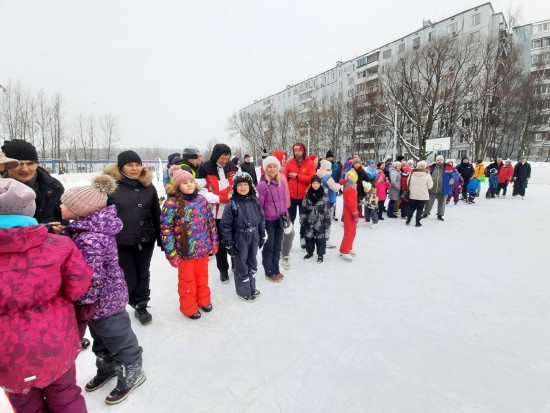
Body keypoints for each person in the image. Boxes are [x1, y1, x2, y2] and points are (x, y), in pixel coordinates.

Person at [0, 178, 93, 413]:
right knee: (65, 395)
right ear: (30, 208)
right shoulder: (59, 245)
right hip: (55, 339)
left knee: (24, 403)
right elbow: (77, 286)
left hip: (7, 351)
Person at [60, 175, 145, 405]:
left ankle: (133, 372)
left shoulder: (91, 239)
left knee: (118, 338)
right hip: (97, 302)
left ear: (80, 212)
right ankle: (107, 366)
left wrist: (84, 300)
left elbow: (92, 276)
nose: (60, 206)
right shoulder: (85, 231)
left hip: (104, 301)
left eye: (65, 204)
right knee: (99, 337)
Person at [104, 150, 161, 325]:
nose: (135, 168)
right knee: (128, 275)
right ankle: (126, 301)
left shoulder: (148, 186)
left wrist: (161, 237)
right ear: (121, 167)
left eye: (137, 165)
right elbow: (102, 214)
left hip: (146, 238)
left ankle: (141, 305)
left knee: (143, 272)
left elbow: (155, 212)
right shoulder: (111, 186)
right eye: (130, 165)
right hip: (122, 240)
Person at [160, 165, 218, 319]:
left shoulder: (201, 200)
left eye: (191, 181)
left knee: (202, 276)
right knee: (187, 280)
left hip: (203, 248)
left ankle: (204, 300)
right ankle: (188, 307)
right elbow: (166, 229)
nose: (189, 185)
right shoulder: (171, 203)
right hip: (184, 251)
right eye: (185, 183)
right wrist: (171, 253)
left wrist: (214, 241)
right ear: (178, 185)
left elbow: (210, 222)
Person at [1, 139, 67, 233]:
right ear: (8, 165)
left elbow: (63, 220)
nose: (25, 169)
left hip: (46, 242)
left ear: (37, 164)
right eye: (19, 164)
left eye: (30, 163)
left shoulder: (53, 187)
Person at [220, 172, 265, 301]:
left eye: (246, 184)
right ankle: (244, 291)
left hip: (254, 236)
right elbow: (226, 225)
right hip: (240, 238)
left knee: (253, 263)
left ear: (251, 186)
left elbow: (261, 218)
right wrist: (228, 242)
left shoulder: (256, 202)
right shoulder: (231, 205)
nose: (243, 187)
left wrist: (262, 234)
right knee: (241, 265)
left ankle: (252, 287)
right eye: (240, 185)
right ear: (235, 187)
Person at [197, 143, 237, 283]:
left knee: (234, 240)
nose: (225, 161)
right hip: (215, 214)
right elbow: (201, 192)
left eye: (227, 158)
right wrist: (220, 198)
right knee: (219, 244)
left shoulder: (232, 167)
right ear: (216, 156)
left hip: (231, 212)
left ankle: (235, 265)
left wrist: (229, 196)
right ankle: (223, 270)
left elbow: (236, 185)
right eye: (222, 158)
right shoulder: (204, 168)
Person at [257, 156, 287, 282]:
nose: (272, 169)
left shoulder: (282, 183)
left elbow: (284, 202)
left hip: (280, 219)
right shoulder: (262, 186)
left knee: (277, 246)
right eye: (269, 166)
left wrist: (286, 217)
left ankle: (276, 268)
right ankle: (269, 271)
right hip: (269, 221)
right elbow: (259, 206)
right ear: (265, 169)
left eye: (275, 166)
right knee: (269, 246)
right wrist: (261, 224)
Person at [285, 142, 316, 247]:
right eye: (295, 151)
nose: (297, 153)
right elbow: (284, 180)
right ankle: (287, 239)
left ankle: (302, 237)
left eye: (299, 150)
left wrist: (297, 176)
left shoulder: (310, 163)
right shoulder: (289, 163)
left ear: (303, 151)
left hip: (305, 196)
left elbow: (312, 179)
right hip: (291, 197)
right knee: (290, 219)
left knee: (304, 219)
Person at [300, 175, 331, 263]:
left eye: (317, 183)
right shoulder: (307, 194)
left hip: (320, 221)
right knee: (309, 237)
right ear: (311, 184)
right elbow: (303, 208)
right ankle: (310, 252)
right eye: (313, 183)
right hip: (309, 221)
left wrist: (327, 222)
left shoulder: (324, 195)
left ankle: (320, 255)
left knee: (320, 238)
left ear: (320, 184)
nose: (315, 185)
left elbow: (327, 210)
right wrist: (303, 220)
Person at [423, 155, 457, 221]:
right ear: (436, 161)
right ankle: (425, 213)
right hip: (432, 188)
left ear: (443, 160)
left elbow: (455, 174)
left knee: (442, 203)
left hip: (444, 188)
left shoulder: (448, 167)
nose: (439, 161)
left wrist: (452, 179)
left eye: (441, 160)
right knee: (428, 202)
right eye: (438, 160)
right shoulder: (431, 167)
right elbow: (425, 175)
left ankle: (440, 215)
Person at [317, 159, 341, 247]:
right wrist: (339, 185)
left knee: (321, 220)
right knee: (328, 221)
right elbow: (334, 187)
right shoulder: (327, 177)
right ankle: (326, 240)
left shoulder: (319, 174)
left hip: (321, 201)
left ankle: (320, 237)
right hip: (329, 200)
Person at [405, 161, 433, 227]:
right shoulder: (427, 174)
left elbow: (407, 183)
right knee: (420, 209)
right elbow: (430, 186)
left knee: (411, 208)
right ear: (425, 166)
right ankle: (417, 222)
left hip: (412, 194)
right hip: (422, 195)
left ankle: (408, 220)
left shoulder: (412, 173)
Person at [338, 170, 359, 262]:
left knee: (352, 231)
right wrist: (354, 213)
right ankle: (344, 250)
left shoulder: (350, 187)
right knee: (349, 232)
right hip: (350, 212)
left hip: (350, 211)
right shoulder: (350, 189)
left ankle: (349, 247)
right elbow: (350, 203)